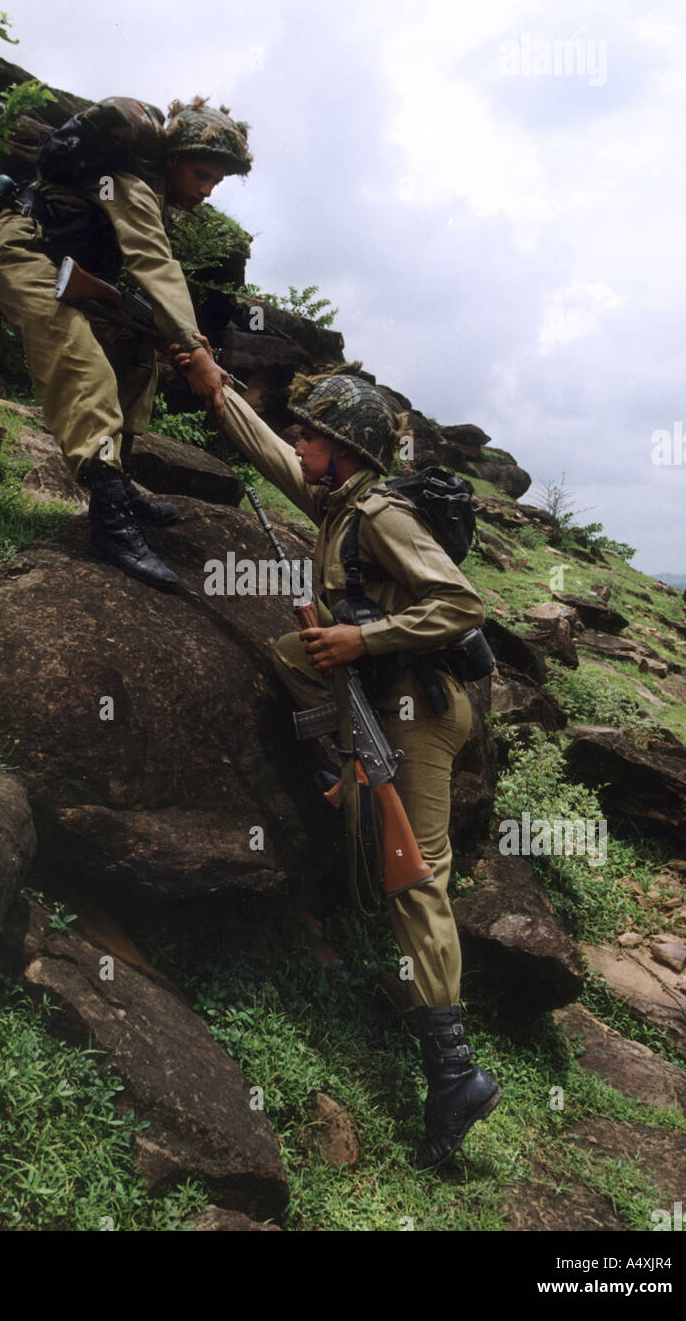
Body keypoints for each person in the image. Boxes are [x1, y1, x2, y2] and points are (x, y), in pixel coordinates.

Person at [181, 361, 501, 1168]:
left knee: (416, 879)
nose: (300, 443)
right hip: (377, 698)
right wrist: (213, 388)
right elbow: (269, 459)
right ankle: (345, 772)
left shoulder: (382, 514)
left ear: (346, 449)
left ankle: (454, 1072)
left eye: (313, 434)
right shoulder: (335, 499)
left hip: (420, 711)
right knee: (296, 649)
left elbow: (462, 603)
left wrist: (365, 639)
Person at [0, 95, 251, 590]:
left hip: (64, 268)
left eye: (217, 181)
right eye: (202, 175)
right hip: (21, 251)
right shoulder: (134, 182)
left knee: (135, 343)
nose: (208, 192)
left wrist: (182, 344)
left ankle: (118, 479)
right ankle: (108, 516)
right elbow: (154, 264)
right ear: (174, 161)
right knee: (79, 356)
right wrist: (200, 351)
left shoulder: (150, 189)